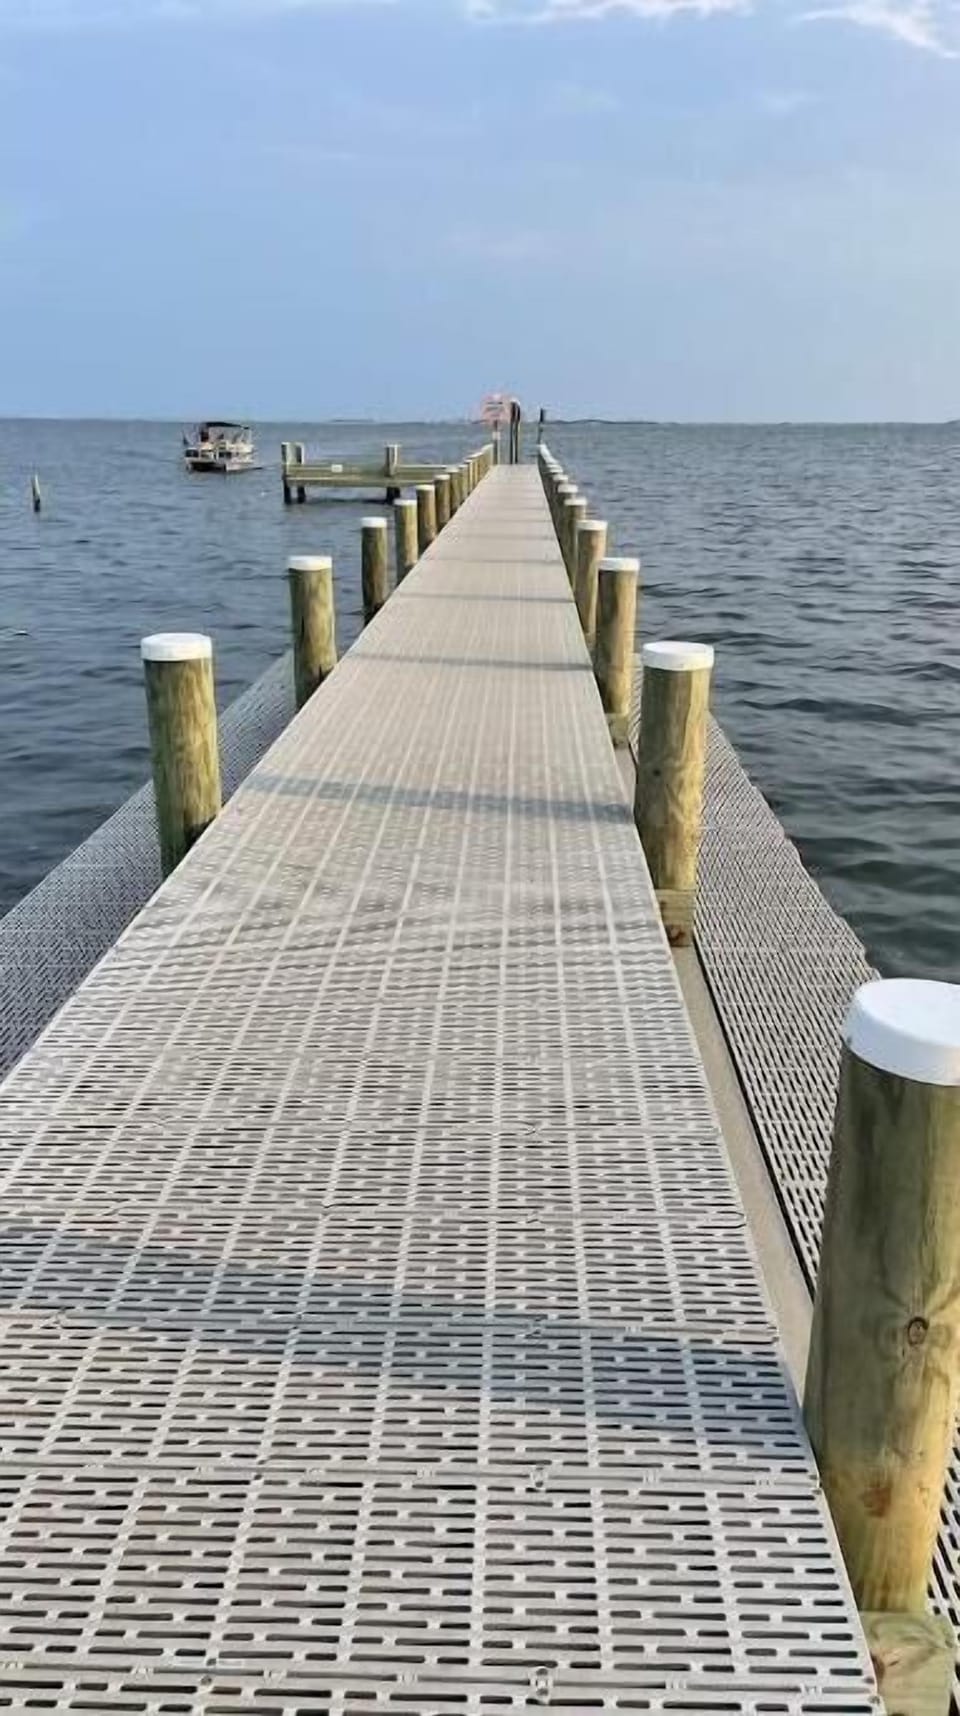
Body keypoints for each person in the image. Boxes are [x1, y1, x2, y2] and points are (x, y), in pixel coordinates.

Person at [509, 397, 522, 464]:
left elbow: (516, 414)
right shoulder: (514, 404)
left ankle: (515, 459)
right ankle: (515, 460)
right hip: (515, 421)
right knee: (514, 438)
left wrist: (513, 420)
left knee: (515, 437)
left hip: (517, 421)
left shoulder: (516, 405)